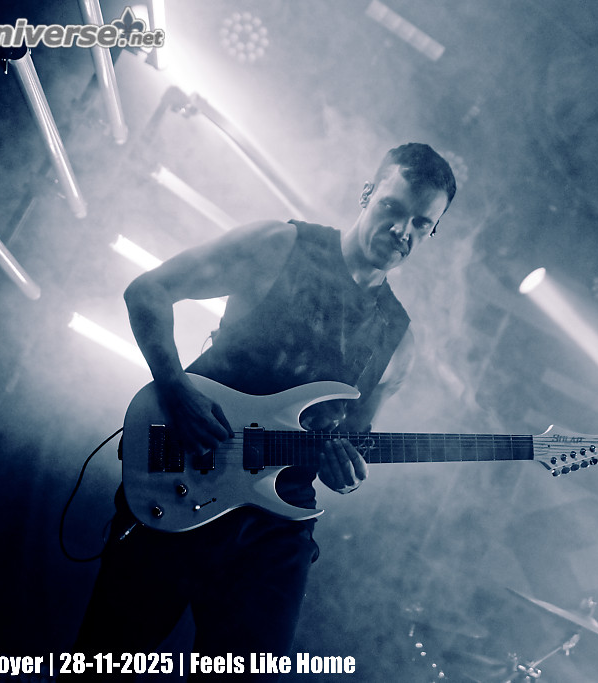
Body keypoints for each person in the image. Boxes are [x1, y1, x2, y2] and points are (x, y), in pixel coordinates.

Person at [73, 143, 457, 678]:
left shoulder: (399, 342)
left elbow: (349, 441)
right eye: (394, 208)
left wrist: (343, 473)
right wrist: (176, 390)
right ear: (367, 194)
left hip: (273, 531)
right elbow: (148, 291)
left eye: (421, 223)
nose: (402, 230)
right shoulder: (279, 245)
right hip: (185, 474)